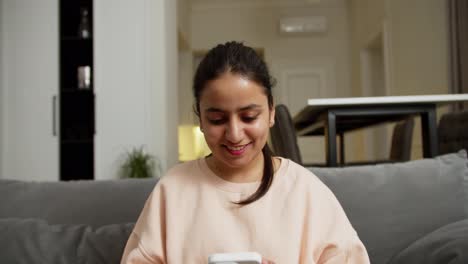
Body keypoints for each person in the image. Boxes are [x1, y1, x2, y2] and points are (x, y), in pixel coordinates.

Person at [121, 41, 370, 264]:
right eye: (218, 119)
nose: (235, 134)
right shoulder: (172, 191)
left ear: (271, 112)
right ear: (201, 119)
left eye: (249, 117)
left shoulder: (304, 191)